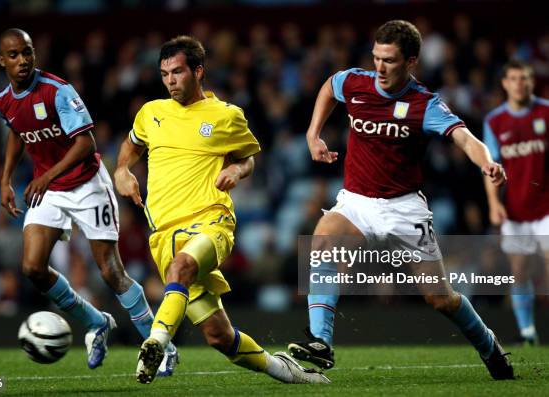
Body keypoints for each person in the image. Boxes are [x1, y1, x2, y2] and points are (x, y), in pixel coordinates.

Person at [286, 20, 514, 380]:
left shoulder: (424, 103)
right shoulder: (355, 82)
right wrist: (313, 134)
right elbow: (330, 87)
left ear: (410, 62)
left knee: (440, 298)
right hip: (358, 201)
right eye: (376, 57)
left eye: (389, 60)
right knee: (323, 243)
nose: (379, 67)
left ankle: (488, 344)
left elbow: (465, 138)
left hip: (403, 209)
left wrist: (487, 162)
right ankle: (321, 342)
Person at [114, 35, 329, 385]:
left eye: (178, 72)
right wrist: (121, 170)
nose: (170, 80)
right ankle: (288, 372)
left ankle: (155, 343)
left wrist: (236, 170)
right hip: (164, 235)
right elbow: (130, 145)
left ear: (198, 71)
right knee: (219, 337)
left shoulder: (226, 116)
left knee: (181, 266)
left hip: (210, 223)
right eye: (165, 73)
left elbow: (248, 159)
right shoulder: (150, 113)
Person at [0, 28, 177, 374]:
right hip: (49, 189)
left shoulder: (57, 91)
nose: (23, 61)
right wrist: (5, 180)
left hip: (86, 183)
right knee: (32, 268)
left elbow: (86, 143)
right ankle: (97, 322)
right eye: (14, 55)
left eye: (28, 52)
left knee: (111, 271)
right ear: (1, 60)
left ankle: (161, 345)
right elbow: (17, 133)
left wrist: (45, 175)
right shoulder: (3, 100)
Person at [483, 59, 549, 346]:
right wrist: (493, 204)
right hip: (515, 210)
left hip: (546, 207)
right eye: (514, 78)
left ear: (531, 82)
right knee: (520, 270)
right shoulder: (495, 121)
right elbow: (489, 166)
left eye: (524, 78)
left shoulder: (546, 113)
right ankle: (527, 332)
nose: (519, 83)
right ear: (505, 83)